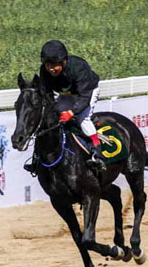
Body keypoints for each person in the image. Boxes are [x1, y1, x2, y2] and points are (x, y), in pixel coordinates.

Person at [25, 40, 105, 172]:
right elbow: (47, 94)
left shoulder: (78, 67)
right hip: (67, 93)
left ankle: (97, 154)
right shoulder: (44, 71)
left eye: (54, 65)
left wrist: (72, 112)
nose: (51, 69)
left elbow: (85, 97)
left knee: (82, 119)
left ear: (63, 62)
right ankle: (36, 159)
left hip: (87, 91)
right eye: (47, 65)